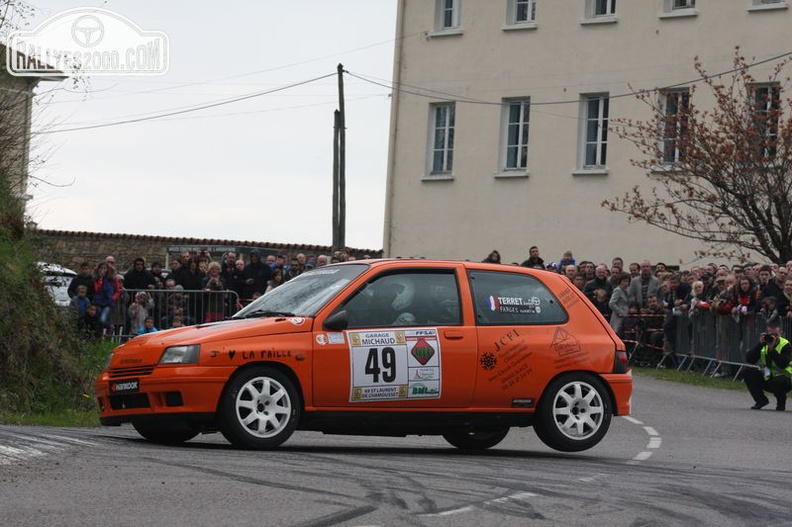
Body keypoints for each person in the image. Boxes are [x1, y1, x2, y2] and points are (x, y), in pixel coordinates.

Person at [744, 320, 792, 411]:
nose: (773, 337)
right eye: (770, 335)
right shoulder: (764, 343)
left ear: (781, 333)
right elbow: (750, 359)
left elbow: (782, 364)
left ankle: (781, 403)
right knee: (747, 371)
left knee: (778, 381)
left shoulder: (786, 345)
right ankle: (761, 400)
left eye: (776, 335)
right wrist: (759, 344)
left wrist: (772, 349)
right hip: (767, 376)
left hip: (785, 379)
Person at [93, 261, 122, 331]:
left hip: (108, 302)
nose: (103, 270)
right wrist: (100, 280)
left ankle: (109, 326)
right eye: (101, 268)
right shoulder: (96, 279)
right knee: (99, 321)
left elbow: (117, 291)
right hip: (98, 302)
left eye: (104, 268)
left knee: (102, 319)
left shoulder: (113, 279)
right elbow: (96, 289)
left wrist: (113, 298)